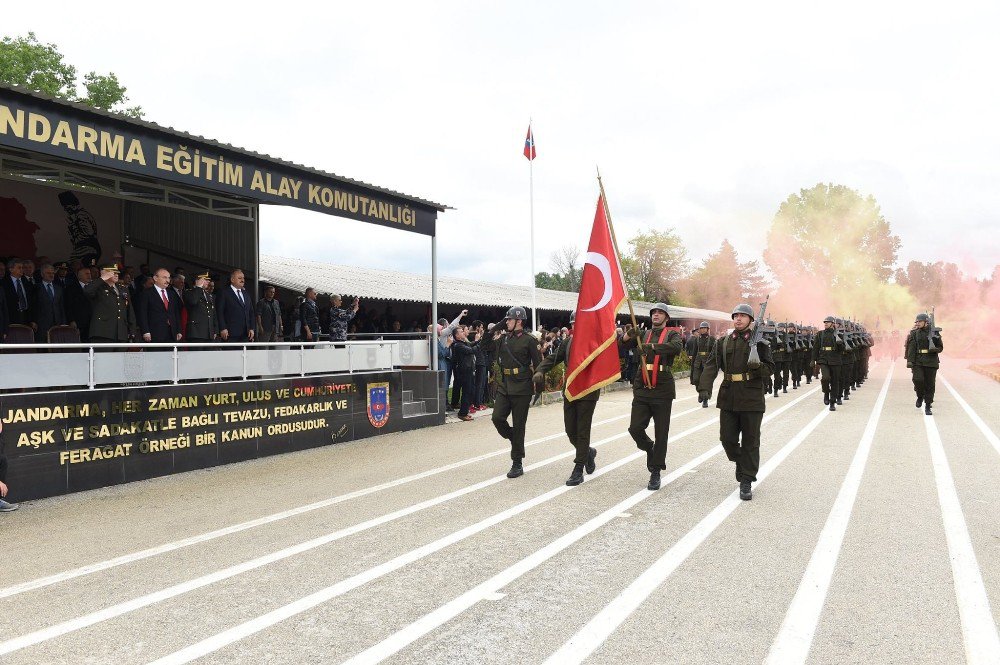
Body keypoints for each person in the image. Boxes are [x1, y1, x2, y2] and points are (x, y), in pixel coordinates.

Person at [698, 303, 774, 501]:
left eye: (742, 316)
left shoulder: (760, 343)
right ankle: (742, 463)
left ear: (750, 320)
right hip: (729, 395)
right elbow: (712, 365)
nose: (738, 319)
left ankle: (746, 480)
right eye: (736, 316)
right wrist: (704, 388)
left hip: (751, 396)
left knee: (751, 440)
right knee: (727, 439)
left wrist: (757, 367)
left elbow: (770, 369)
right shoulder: (723, 342)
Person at [533, 310, 599, 486]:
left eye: (578, 323)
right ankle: (588, 453)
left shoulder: (595, 343)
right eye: (572, 324)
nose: (574, 326)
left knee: (583, 430)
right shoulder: (568, 342)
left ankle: (578, 469)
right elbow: (555, 357)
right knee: (571, 431)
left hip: (587, 391)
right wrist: (540, 369)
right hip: (570, 390)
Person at [622, 303, 684, 491]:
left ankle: (656, 470)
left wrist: (651, 348)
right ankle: (649, 448)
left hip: (662, 386)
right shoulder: (643, 334)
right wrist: (628, 334)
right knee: (635, 428)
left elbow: (675, 348)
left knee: (661, 432)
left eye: (660, 313)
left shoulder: (672, 334)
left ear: (666, 317)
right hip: (643, 385)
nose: (656, 315)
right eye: (654, 313)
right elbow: (622, 344)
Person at [488, 306, 542, 478]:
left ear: (518, 321)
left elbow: (539, 364)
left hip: (522, 388)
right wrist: (496, 327)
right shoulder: (503, 339)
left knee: (519, 425)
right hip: (505, 386)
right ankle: (513, 437)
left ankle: (517, 462)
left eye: (509, 319)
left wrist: (539, 388)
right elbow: (485, 345)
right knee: (497, 418)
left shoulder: (529, 340)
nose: (507, 322)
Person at [84, 265, 135, 343]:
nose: (116, 274)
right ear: (104, 273)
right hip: (103, 332)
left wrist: (132, 330)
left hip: (121, 333)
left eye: (117, 273)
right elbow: (87, 291)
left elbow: (129, 310)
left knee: (120, 355)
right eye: (112, 273)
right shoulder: (98, 287)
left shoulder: (123, 288)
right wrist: (102, 278)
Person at [906, 312, 943, 415]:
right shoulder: (914, 333)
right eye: (917, 321)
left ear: (926, 322)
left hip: (931, 361)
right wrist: (910, 361)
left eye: (919, 321)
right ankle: (920, 396)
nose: (917, 323)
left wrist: (934, 349)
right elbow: (911, 348)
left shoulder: (935, 333)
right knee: (917, 379)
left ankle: (927, 406)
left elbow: (940, 347)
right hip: (919, 360)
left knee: (930, 384)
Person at [136, 268, 183, 343]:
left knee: (171, 354)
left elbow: (176, 313)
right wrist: (145, 331)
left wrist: (179, 330)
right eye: (164, 277)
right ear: (155, 278)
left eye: (168, 278)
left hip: (172, 333)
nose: (168, 280)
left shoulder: (172, 294)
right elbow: (142, 313)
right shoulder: (146, 293)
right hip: (154, 333)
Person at [812, 316, 845, 411]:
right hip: (824, 359)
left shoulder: (839, 334)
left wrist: (840, 344)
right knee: (825, 378)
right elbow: (815, 348)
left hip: (835, 359)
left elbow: (842, 350)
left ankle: (832, 402)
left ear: (832, 323)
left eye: (828, 322)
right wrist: (813, 360)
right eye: (825, 322)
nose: (825, 323)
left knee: (835, 381)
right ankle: (826, 392)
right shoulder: (820, 334)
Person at [216, 269, 255, 343]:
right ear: (232, 279)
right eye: (239, 278)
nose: (242, 280)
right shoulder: (224, 292)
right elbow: (219, 312)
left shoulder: (246, 294)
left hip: (246, 334)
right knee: (230, 354)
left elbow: (251, 312)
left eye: (243, 278)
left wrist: (252, 328)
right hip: (230, 334)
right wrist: (222, 328)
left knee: (244, 354)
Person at [450, 325, 480, 421]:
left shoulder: (463, 343)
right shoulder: (458, 345)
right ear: (457, 335)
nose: (463, 333)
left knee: (470, 391)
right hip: (465, 372)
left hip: (468, 370)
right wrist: (479, 344)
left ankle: (464, 411)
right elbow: (472, 350)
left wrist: (478, 340)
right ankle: (462, 413)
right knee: (466, 392)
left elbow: (471, 345)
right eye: (461, 332)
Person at [32, 263, 68, 342]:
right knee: (42, 346)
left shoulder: (59, 289)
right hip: (41, 323)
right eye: (48, 273)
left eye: (52, 273)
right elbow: (33, 306)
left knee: (57, 345)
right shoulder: (36, 288)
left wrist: (63, 323)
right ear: (42, 274)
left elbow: (61, 306)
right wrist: (33, 321)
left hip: (57, 323)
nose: (51, 275)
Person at [184, 271, 219, 342]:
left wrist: (215, 330)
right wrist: (198, 287)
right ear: (197, 280)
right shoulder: (188, 292)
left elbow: (213, 313)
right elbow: (193, 301)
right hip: (196, 333)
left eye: (208, 280)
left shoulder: (208, 295)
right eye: (205, 280)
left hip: (209, 333)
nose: (208, 282)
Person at [689, 321, 716, 407]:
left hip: (708, 363)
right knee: (696, 379)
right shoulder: (697, 339)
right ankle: (701, 393)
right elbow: (694, 352)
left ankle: (705, 399)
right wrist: (692, 364)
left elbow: (715, 353)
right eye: (701, 328)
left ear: (708, 329)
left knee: (706, 382)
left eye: (704, 328)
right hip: (698, 362)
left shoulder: (712, 339)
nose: (702, 330)